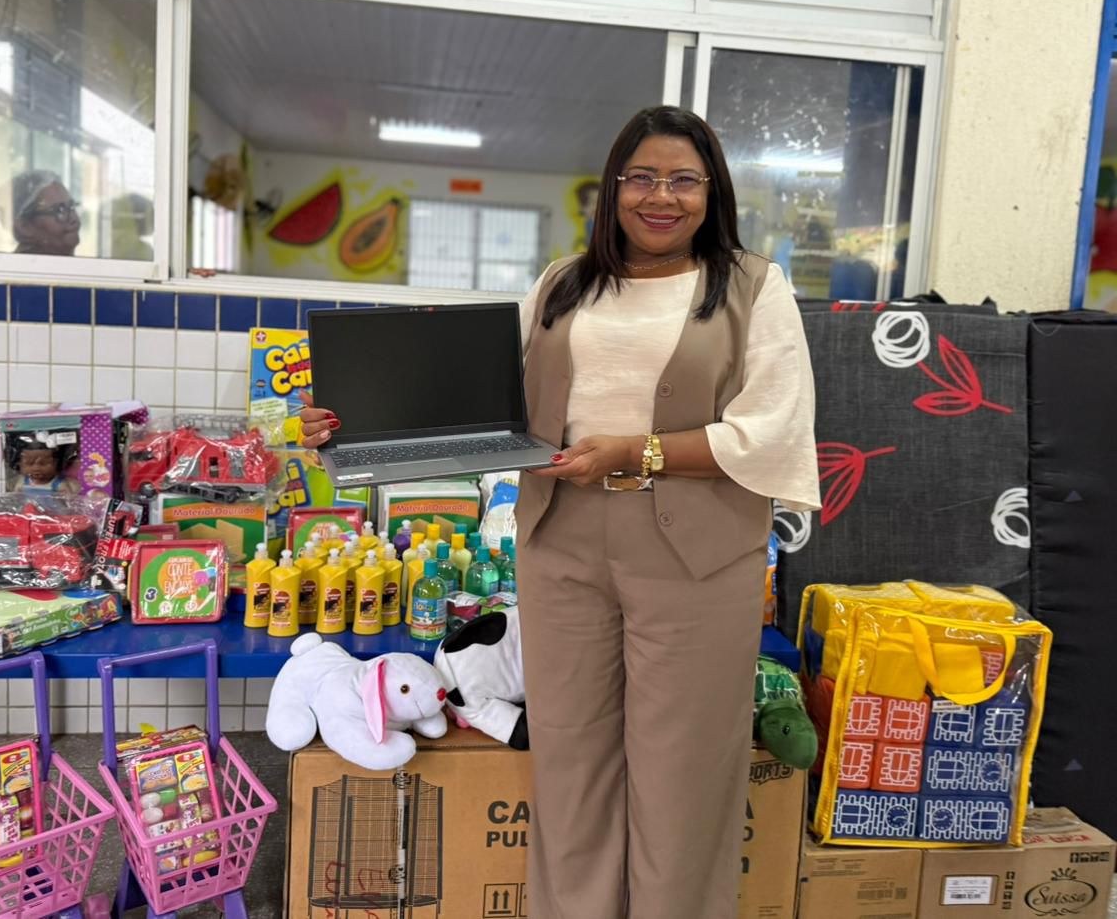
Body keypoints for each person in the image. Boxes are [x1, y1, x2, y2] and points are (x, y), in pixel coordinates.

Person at [298, 105, 820, 918]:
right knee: (571, 761)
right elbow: (483, 399)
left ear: (712, 191)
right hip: (562, 542)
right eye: (641, 177)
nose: (661, 196)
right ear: (613, 188)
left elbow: (772, 430)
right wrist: (353, 426)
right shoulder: (563, 283)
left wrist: (637, 452)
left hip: (697, 552)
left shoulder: (753, 286)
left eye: (684, 180)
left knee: (683, 774)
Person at [0, 170, 81, 256]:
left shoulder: (73, 264)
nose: (74, 219)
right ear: (24, 227)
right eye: (60, 210)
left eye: (72, 206)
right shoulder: (16, 265)